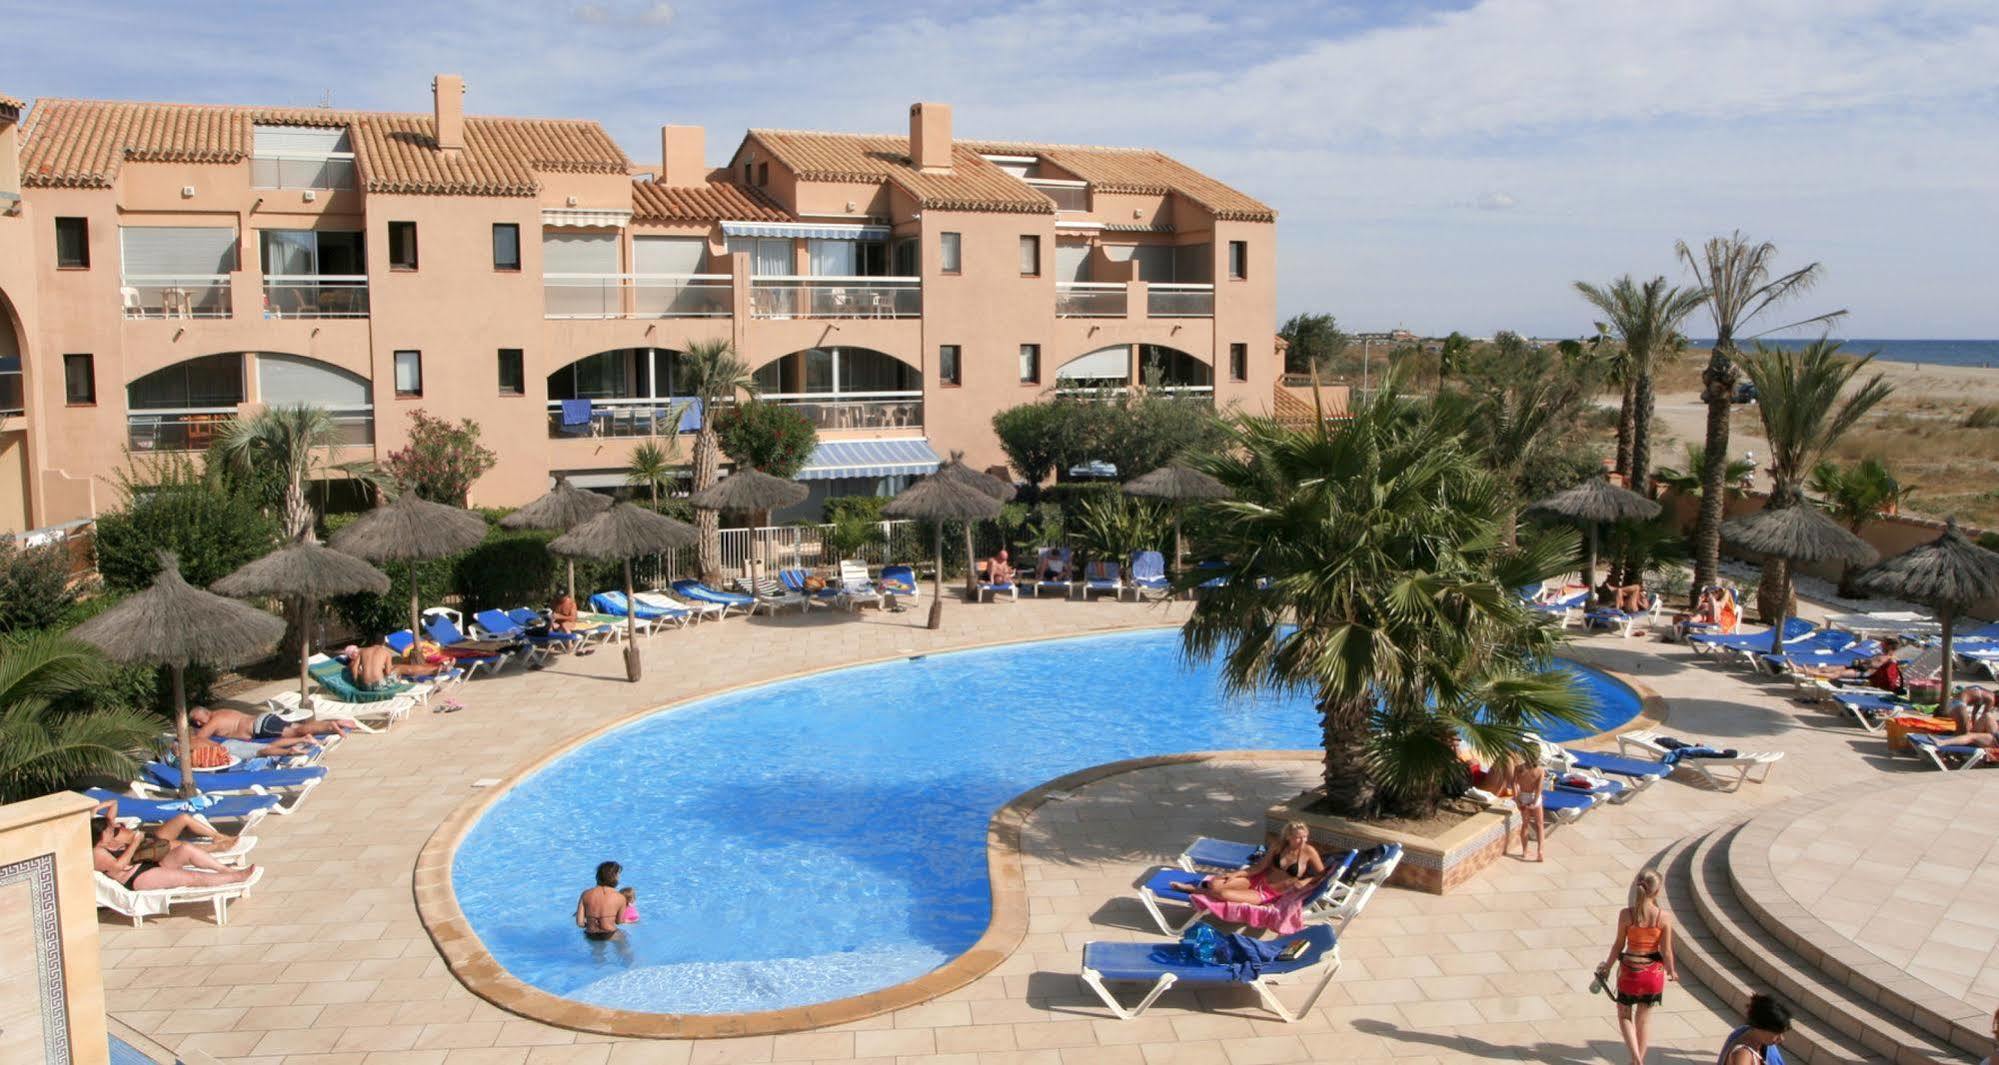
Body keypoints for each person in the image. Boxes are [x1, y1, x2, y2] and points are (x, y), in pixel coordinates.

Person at [1598, 868, 1676, 1065]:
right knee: (1643, 1021)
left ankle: (1636, 1058)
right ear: (1657, 892)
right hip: (1653, 975)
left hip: (1630, 972)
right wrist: (1672, 971)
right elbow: (1666, 951)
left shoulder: (1626, 915)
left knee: (1624, 1015)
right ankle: (1637, 1061)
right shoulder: (1663, 918)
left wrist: (1607, 967)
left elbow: (1619, 945)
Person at [1170, 820, 1324, 903]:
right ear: (1289, 837)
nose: (1303, 840)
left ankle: (1191, 889)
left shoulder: (1309, 851)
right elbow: (1259, 867)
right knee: (1215, 884)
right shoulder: (1278, 846)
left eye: (1305, 836)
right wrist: (1237, 874)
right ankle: (1201, 888)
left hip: (1270, 894)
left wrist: (1306, 880)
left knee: (1223, 893)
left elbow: (1322, 874)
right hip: (1258, 880)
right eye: (1298, 837)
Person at [92, 814, 255, 891]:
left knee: (186, 849)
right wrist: (134, 843)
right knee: (192, 877)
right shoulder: (97, 852)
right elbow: (118, 867)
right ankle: (236, 877)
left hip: (149, 864)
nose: (111, 832)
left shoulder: (110, 841)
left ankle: (226, 870)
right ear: (98, 834)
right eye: (107, 831)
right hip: (138, 877)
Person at [90, 797, 236, 853]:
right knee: (183, 846)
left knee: (183, 817)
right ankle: (217, 847)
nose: (111, 826)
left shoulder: (108, 825)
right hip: (147, 846)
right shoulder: (104, 841)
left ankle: (217, 836)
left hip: (151, 837)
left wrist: (96, 809)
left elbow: (114, 802)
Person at [191, 705, 352, 745]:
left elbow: (199, 739)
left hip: (259, 727)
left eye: (198, 720)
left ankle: (330, 726)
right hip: (264, 719)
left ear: (205, 714)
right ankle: (335, 723)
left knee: (298, 731)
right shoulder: (222, 712)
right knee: (297, 728)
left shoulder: (214, 721)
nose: (198, 724)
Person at [1489, 753, 1546, 862]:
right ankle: (1540, 852)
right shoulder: (1540, 770)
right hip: (1535, 798)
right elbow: (1538, 789)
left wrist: (1517, 799)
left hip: (1523, 797)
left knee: (1525, 824)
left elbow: (1514, 784)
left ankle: (1524, 851)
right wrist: (1534, 802)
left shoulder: (1519, 769)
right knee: (1539, 825)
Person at [1718, 993, 1791, 1065]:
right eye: (1777, 1033)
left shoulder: (1762, 1044)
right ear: (1761, 1027)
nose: (1781, 1039)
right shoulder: (1743, 1055)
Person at [575, 861, 629, 941]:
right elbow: (619, 921)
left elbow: (580, 923)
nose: (619, 877)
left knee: (597, 952)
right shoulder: (620, 897)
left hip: (591, 934)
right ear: (614, 876)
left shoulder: (585, 894)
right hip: (610, 933)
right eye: (618, 874)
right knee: (624, 945)